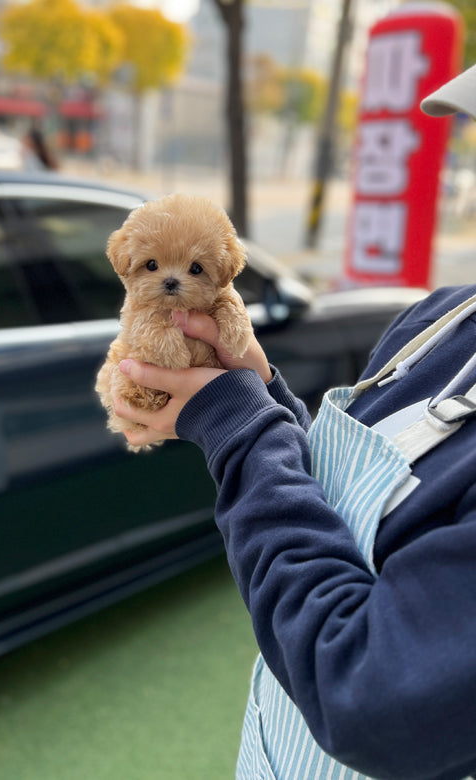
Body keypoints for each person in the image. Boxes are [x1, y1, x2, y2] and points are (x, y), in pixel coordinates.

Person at [112, 63, 476, 780]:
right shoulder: (443, 316)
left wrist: (236, 425)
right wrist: (259, 390)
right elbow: (339, 499)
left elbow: (374, 695)